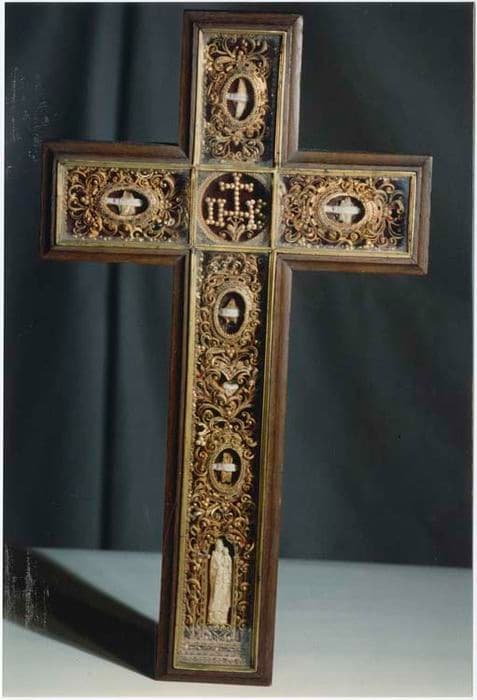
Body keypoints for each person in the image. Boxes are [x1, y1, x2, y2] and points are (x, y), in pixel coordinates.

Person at [208, 538, 232, 625]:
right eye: (218, 545)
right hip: (217, 580)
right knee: (216, 596)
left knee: (224, 597)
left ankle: (222, 617)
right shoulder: (214, 556)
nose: (219, 547)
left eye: (220, 545)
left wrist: (227, 557)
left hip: (224, 580)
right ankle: (213, 617)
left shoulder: (225, 556)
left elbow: (229, 567)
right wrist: (219, 570)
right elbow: (213, 569)